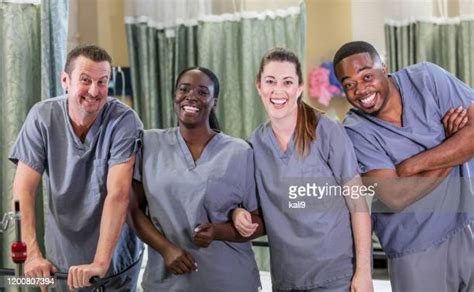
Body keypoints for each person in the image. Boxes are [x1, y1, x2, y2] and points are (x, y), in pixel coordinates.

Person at [333, 41, 474, 292]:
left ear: (383, 68)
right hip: (415, 252)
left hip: (467, 227)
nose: (361, 90)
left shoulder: (427, 79)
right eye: (349, 85)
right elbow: (395, 197)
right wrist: (454, 146)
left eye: (367, 76)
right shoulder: (356, 131)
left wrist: (410, 167)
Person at [233, 48, 373, 292]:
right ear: (259, 86)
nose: (278, 90)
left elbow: (358, 204)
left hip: (338, 278)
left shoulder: (328, 131)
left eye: (287, 82)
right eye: (270, 81)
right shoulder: (254, 145)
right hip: (287, 280)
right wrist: (237, 214)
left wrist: (364, 272)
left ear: (299, 88)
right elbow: (251, 206)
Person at [9, 45, 143, 291]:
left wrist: (100, 262)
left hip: (114, 266)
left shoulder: (123, 121)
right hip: (63, 263)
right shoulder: (42, 117)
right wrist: (32, 255)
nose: (94, 91)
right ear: (65, 80)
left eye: (102, 82)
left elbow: (118, 194)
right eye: (85, 80)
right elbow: (23, 191)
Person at [128, 66, 262, 292]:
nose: (191, 96)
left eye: (202, 92)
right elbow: (132, 209)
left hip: (230, 282)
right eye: (184, 89)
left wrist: (219, 231)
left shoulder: (239, 152)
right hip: (167, 283)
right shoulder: (149, 144)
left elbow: (261, 221)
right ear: (175, 96)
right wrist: (166, 249)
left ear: (214, 103)